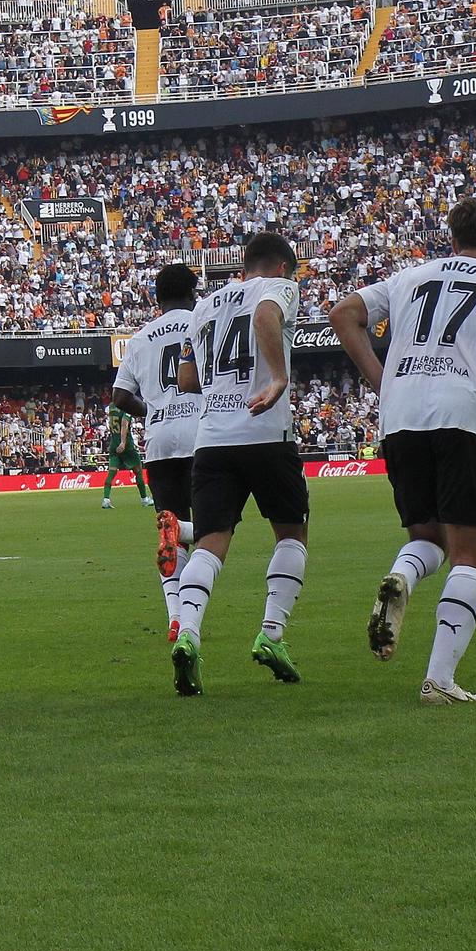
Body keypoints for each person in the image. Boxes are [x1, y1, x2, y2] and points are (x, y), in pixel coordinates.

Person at [330, 198, 476, 705]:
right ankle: (440, 680)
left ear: (451, 238)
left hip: (401, 415)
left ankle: (400, 576)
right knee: (470, 553)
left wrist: (381, 380)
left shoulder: (409, 277)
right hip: (463, 416)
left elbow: (342, 313)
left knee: (427, 534)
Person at [170, 234, 311, 693]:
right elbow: (265, 316)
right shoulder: (278, 289)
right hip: (266, 432)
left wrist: (220, 387)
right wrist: (277, 376)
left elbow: (187, 379)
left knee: (211, 542)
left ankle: (188, 634)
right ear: (280, 268)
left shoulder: (203, 308)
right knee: (291, 532)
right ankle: (272, 634)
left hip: (211, 440)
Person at [108, 263, 199, 641]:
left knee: (171, 531)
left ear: (156, 298)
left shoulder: (141, 338)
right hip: (202, 434)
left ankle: (175, 618)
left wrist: (153, 411)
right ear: (193, 293)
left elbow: (118, 396)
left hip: (160, 442)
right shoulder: (202, 323)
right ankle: (191, 616)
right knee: (214, 530)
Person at [101, 398, 152, 511]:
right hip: (126, 445)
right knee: (138, 471)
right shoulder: (126, 408)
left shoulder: (112, 407)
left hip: (113, 443)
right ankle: (144, 499)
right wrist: (123, 442)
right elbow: (124, 424)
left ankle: (105, 499)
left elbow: (111, 424)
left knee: (111, 472)